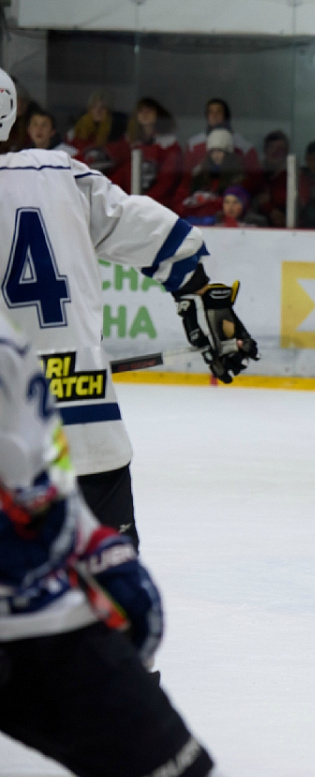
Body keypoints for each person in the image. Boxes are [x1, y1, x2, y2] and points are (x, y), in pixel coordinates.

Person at [0, 67, 259, 549]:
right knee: (110, 578)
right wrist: (202, 295)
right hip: (87, 422)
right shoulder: (58, 173)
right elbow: (145, 227)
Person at [0, 310, 236, 777]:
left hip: (37, 621)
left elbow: (36, 475)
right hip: (32, 616)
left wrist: (94, 546)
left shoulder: (8, 343)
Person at [108, 98, 184, 207]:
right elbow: (120, 175)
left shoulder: (170, 146)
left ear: (158, 115)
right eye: (141, 111)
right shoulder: (128, 144)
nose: (145, 114)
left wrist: (144, 202)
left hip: (159, 206)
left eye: (149, 111)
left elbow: (167, 181)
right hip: (129, 205)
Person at [175, 128, 247, 225]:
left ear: (228, 154)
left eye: (220, 151)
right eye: (213, 151)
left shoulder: (237, 176)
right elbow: (181, 200)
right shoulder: (199, 174)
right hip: (195, 222)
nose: (216, 155)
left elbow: (234, 205)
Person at [183, 98, 260, 187]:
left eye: (218, 112)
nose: (214, 115)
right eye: (211, 112)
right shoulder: (193, 144)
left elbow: (254, 181)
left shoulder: (244, 146)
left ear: (226, 116)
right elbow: (187, 178)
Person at [252, 130, 289, 227]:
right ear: (265, 150)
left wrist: (269, 201)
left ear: (286, 152)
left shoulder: (292, 175)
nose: (276, 152)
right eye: (272, 147)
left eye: (281, 149)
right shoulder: (255, 172)